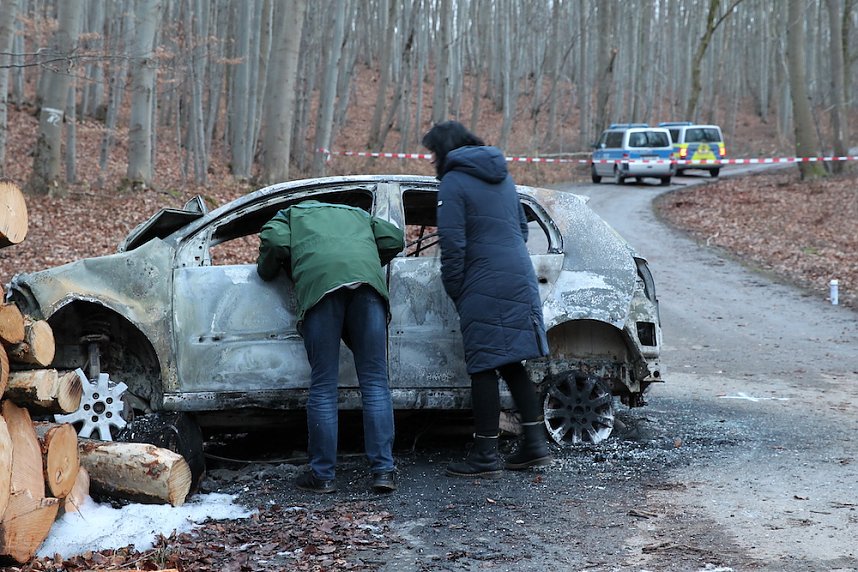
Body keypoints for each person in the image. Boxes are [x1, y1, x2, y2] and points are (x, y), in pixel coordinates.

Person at [421, 120, 553, 478]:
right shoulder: (503, 178)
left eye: (433, 151)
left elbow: (453, 245)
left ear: (444, 149)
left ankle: (484, 456)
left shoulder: (454, 181)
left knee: (482, 366)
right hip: (518, 273)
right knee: (511, 362)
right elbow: (523, 230)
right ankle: (535, 446)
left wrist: (457, 290)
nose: (432, 158)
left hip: (482, 279)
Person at [256, 200, 405, 493]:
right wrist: (370, 258)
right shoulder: (356, 212)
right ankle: (384, 472)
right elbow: (394, 238)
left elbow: (274, 243)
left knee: (324, 384)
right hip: (367, 288)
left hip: (321, 290)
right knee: (375, 381)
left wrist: (269, 269)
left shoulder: (290, 215)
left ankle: (322, 475)